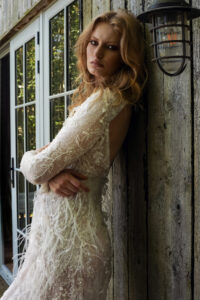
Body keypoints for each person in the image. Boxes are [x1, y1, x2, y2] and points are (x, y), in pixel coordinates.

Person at [1, 9, 146, 300]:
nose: (98, 54)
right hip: (61, 240)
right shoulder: (102, 98)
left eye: (111, 47)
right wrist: (51, 178)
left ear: (125, 56)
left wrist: (33, 162)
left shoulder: (106, 103)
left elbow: (39, 166)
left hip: (72, 245)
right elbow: (49, 170)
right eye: (94, 42)